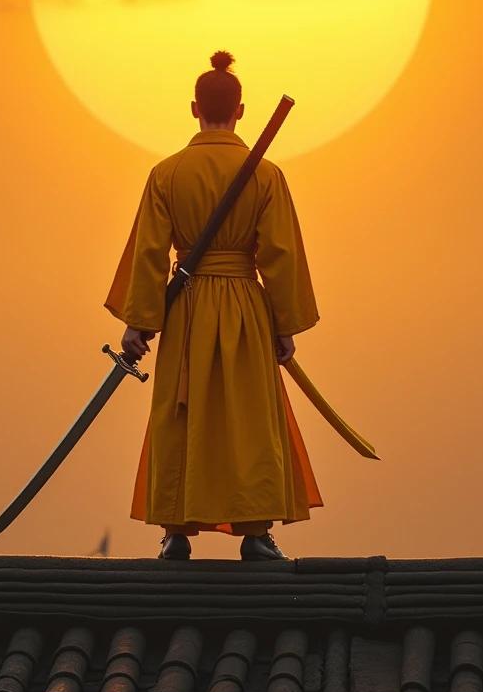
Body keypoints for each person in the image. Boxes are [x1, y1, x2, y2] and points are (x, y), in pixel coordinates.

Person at [105, 51, 322, 560]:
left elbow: (150, 253)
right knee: (249, 418)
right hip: (247, 305)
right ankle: (256, 533)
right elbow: (280, 254)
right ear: (241, 110)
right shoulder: (265, 175)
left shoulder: (167, 174)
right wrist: (285, 324)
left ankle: (175, 533)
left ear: (194, 108)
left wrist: (140, 322)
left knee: (181, 414)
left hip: (187, 305)